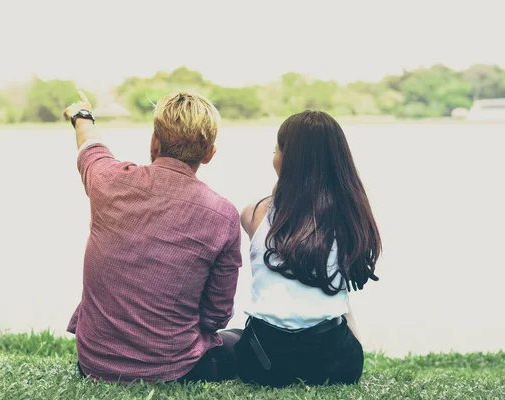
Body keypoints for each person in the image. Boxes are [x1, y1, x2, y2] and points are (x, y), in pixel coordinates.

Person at [62, 91, 242, 383]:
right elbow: (216, 315)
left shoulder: (108, 181)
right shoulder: (224, 215)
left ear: (154, 142)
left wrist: (82, 115)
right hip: (173, 370)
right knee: (243, 340)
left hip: (94, 364)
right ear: (209, 154)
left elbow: (91, 148)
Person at [235, 110, 382, 387]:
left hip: (262, 365)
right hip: (335, 365)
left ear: (286, 159)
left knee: (229, 337)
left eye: (276, 149)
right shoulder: (351, 218)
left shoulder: (253, 214)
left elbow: (284, 204)